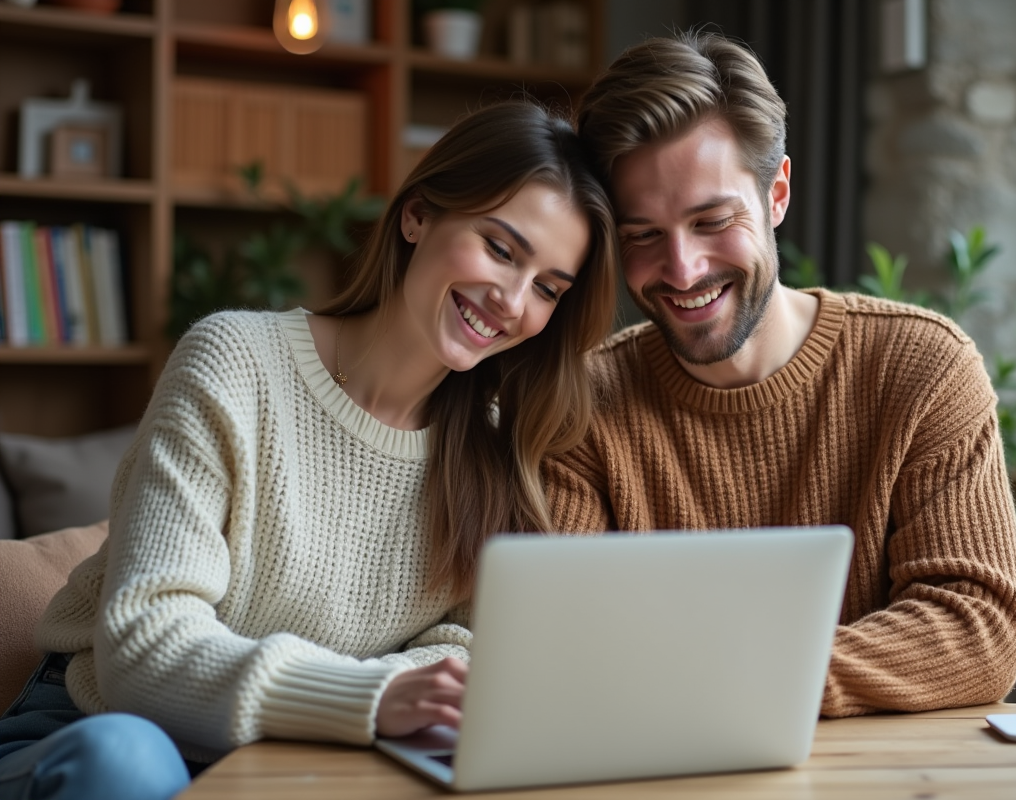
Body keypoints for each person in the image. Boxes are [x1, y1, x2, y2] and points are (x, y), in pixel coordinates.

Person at [0, 101, 618, 800]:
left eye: (547, 288)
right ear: (417, 216)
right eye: (501, 250)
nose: (512, 300)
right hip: (101, 735)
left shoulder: (498, 445)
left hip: (303, 760)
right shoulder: (235, 362)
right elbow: (143, 650)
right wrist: (372, 697)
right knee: (128, 764)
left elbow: (462, 651)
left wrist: (401, 698)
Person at [543, 31, 1016, 718]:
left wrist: (747, 675)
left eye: (712, 220)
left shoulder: (923, 368)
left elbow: (978, 626)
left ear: (777, 194)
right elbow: (567, 640)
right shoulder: (583, 402)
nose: (682, 269)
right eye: (642, 234)